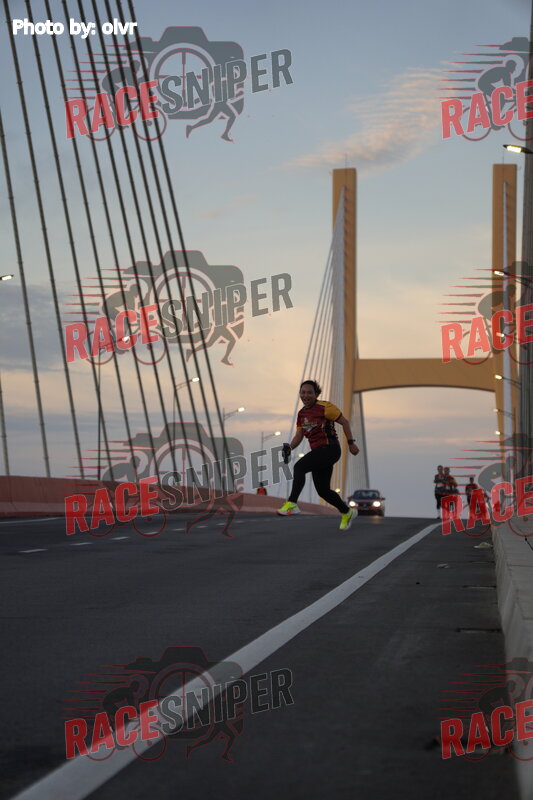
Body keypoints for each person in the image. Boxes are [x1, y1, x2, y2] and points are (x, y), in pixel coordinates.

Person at [276, 380, 359, 531]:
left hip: (330, 449)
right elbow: (299, 435)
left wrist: (351, 443)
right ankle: (347, 512)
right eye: (303, 392)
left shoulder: (325, 407)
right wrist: (290, 447)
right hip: (319, 452)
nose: (306, 395)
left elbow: (345, 422)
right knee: (323, 491)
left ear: (316, 394)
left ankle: (292, 503)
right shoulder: (302, 414)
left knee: (299, 467)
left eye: (309, 392)